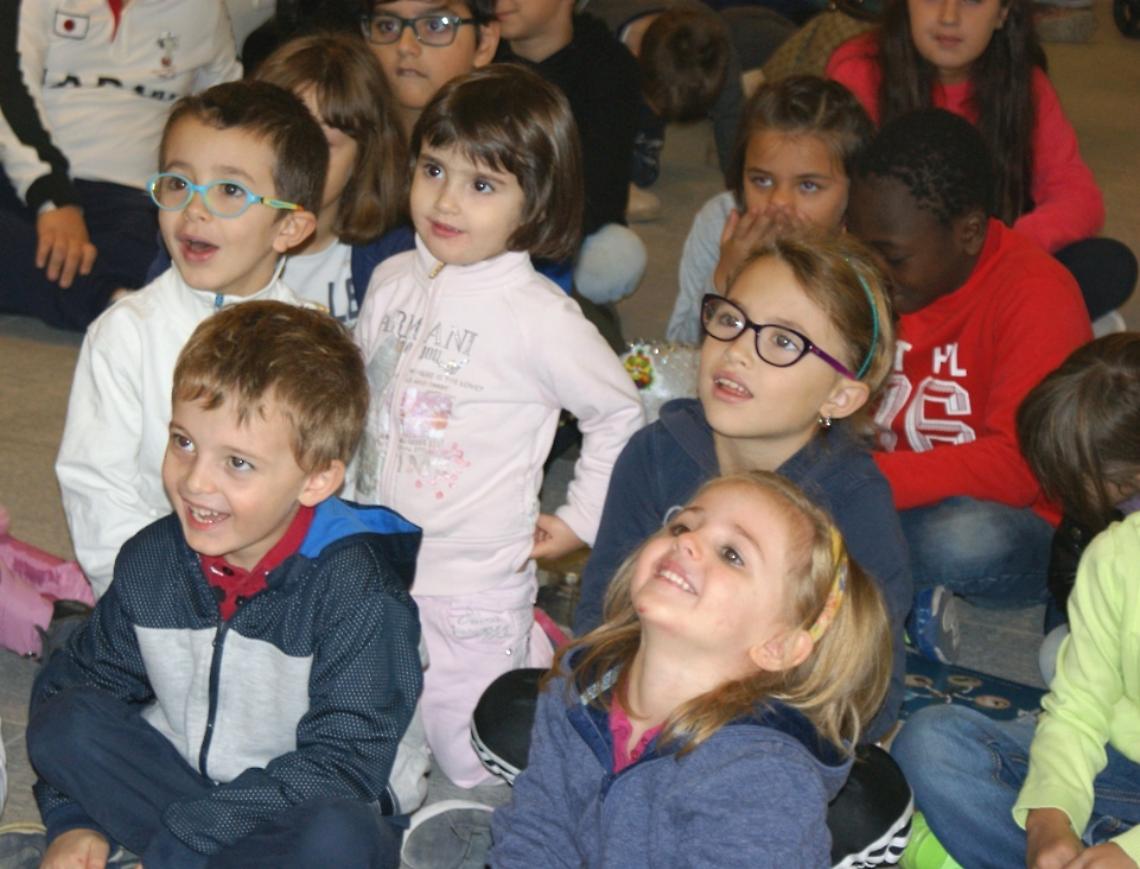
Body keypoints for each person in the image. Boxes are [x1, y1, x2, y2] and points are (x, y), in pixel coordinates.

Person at [21, 302, 422, 869]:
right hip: (190, 785)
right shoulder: (155, 559)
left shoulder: (360, 593)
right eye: (184, 441)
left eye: (237, 462)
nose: (195, 480)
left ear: (317, 478)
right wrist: (73, 818)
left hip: (310, 803)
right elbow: (80, 687)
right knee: (65, 722)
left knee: (339, 836)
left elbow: (345, 765)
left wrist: (181, 844)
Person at [352, 65, 644, 788]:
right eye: (433, 169)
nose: (446, 200)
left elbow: (619, 413)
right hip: (369, 563)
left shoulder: (539, 317)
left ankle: (534, 653)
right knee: (361, 729)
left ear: (534, 200)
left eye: (482, 185)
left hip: (472, 584)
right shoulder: (390, 279)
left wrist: (578, 517)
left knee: (476, 762)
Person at [575, 233, 910, 744]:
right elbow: (600, 616)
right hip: (652, 696)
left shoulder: (851, 503)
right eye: (731, 320)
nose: (737, 351)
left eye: (782, 341)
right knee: (527, 713)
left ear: (840, 395)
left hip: (767, 732)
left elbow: (870, 695)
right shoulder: (654, 453)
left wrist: (719, 726)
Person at [492, 471, 893, 867]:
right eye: (682, 524)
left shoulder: (762, 778)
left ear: (778, 645)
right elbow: (540, 826)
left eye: (731, 554)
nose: (687, 541)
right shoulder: (580, 683)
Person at [55, 80, 327, 599]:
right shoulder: (127, 332)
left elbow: (336, 488)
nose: (195, 210)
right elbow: (97, 486)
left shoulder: (315, 342)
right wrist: (139, 600)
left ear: (289, 228)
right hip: (155, 585)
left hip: (275, 593)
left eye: (230, 190)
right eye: (178, 184)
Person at [845, 108, 1092, 661]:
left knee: (963, 536)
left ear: (970, 233)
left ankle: (858, 571)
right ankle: (888, 583)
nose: (870, 269)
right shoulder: (868, 280)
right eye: (858, 245)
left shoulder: (1036, 294)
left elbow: (1017, 468)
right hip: (886, 489)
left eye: (893, 256)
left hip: (1014, 523)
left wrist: (858, 481)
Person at [891, 334, 1140, 869]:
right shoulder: (1114, 554)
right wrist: (1050, 817)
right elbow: (1079, 705)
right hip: (1125, 773)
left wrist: (1128, 851)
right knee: (931, 742)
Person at [826, 0, 1138, 323]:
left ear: (1003, 13)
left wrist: (998, 249)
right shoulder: (860, 71)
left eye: (973, 1)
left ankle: (979, 328)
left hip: (987, 267)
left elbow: (1079, 198)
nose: (949, 17)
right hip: (895, 276)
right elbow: (832, 200)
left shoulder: (1025, 87)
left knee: (1109, 265)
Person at [0, 0, 241, 331]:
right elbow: (9, 89)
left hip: (134, 199)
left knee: (167, 248)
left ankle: (99, 298)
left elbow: (227, 109)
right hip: (25, 180)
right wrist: (54, 200)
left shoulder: (204, 9)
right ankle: (115, 305)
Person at [666, 74, 873, 344]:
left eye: (808, 185)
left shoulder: (867, 245)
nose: (779, 202)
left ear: (853, 190)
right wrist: (724, 279)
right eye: (761, 180)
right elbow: (680, 351)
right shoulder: (719, 223)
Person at [495, 0, 648, 306]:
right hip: (481, 214)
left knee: (617, 257)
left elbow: (603, 196)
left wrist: (528, 240)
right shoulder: (480, 51)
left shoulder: (610, 67)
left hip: (558, 228)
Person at [360, 0, 500, 140]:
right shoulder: (346, 142)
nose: (405, 46)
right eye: (387, 26)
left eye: (435, 25)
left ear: (484, 44)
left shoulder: (510, 152)